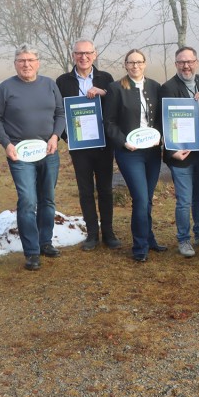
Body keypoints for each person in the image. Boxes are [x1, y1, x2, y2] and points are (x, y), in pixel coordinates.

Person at [0, 45, 65, 271]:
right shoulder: (6, 88)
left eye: (31, 60)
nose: (26, 64)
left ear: (38, 62)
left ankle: (45, 242)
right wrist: (6, 143)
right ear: (15, 63)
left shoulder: (50, 85)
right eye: (21, 60)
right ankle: (32, 252)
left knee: (48, 199)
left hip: (48, 152)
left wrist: (55, 136)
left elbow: (60, 113)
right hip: (20, 154)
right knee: (27, 201)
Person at [103, 49, 167, 262]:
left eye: (139, 62)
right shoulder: (115, 88)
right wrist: (123, 142)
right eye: (131, 62)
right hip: (129, 153)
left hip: (152, 152)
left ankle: (149, 238)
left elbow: (160, 117)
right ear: (125, 64)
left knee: (147, 199)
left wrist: (161, 136)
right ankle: (140, 246)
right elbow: (109, 122)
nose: (135, 66)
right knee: (140, 198)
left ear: (145, 63)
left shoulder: (154, 87)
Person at [56, 39, 119, 251]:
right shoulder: (63, 81)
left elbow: (117, 105)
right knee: (85, 190)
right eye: (79, 53)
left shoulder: (106, 78)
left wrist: (104, 92)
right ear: (73, 55)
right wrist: (67, 137)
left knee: (105, 189)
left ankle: (108, 233)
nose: (84, 57)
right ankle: (92, 234)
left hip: (103, 145)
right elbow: (59, 112)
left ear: (95, 54)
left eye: (88, 53)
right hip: (79, 147)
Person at [160, 46, 199, 257]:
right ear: (176, 64)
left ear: (196, 62)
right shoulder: (168, 88)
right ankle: (183, 239)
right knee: (184, 199)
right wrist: (171, 152)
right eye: (181, 62)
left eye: (189, 61)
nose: (186, 66)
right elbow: (163, 123)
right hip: (181, 154)